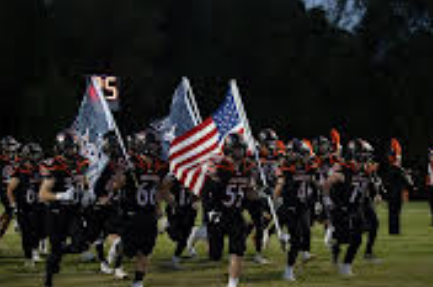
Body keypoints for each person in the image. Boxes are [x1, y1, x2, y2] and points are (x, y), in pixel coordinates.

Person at [203, 133, 259, 287]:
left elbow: (249, 192)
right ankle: (202, 233)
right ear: (228, 149)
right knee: (215, 254)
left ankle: (232, 283)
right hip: (218, 212)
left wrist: (261, 193)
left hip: (235, 213)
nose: (239, 153)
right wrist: (210, 210)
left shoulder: (247, 167)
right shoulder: (219, 166)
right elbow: (207, 191)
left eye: (241, 149)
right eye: (236, 149)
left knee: (238, 248)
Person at [120, 130, 174, 287]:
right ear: (142, 145)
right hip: (131, 212)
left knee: (146, 249)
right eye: (152, 145)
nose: (156, 148)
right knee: (129, 251)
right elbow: (116, 184)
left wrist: (162, 213)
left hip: (149, 212)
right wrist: (124, 172)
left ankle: (138, 282)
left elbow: (160, 191)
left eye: (156, 145)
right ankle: (118, 251)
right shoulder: (131, 162)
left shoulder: (160, 166)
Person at [39, 131, 90, 287]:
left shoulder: (79, 162)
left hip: (73, 211)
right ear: (62, 148)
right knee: (55, 248)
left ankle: (57, 254)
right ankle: (48, 279)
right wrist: (61, 196)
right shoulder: (54, 165)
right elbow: (42, 194)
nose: (73, 151)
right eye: (70, 148)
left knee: (80, 244)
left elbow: (83, 180)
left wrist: (87, 192)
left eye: (74, 148)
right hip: (56, 212)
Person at [322, 139, 367, 276]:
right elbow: (327, 184)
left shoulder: (363, 170)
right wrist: (326, 199)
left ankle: (346, 264)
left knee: (358, 238)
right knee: (344, 238)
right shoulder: (342, 171)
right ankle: (334, 239)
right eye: (361, 156)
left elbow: (362, 186)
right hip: (342, 209)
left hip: (355, 207)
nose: (364, 160)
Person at [274, 139, 316, 281]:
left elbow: (313, 183)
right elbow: (280, 183)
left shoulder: (308, 167)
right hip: (290, 207)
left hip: (303, 205)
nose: (306, 157)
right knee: (297, 238)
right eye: (302, 154)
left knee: (306, 231)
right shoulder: (286, 169)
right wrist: (275, 194)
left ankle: (286, 239)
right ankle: (288, 270)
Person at [7, 143, 45, 267]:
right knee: (26, 232)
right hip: (24, 207)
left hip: (38, 205)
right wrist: (13, 206)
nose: (37, 157)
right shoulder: (19, 169)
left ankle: (34, 250)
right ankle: (28, 257)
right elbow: (10, 189)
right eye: (34, 154)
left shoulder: (40, 169)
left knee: (39, 229)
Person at [160, 175, 198, 269]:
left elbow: (197, 194)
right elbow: (163, 191)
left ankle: (175, 260)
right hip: (175, 210)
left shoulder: (192, 177)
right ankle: (167, 226)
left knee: (185, 237)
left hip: (189, 211)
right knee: (176, 236)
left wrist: (194, 199)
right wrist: (171, 202)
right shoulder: (174, 177)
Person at [384, 138, 413, 235]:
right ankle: (395, 231)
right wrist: (408, 177)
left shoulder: (391, 167)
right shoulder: (396, 168)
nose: (400, 159)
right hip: (396, 194)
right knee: (395, 213)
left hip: (391, 193)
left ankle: (393, 231)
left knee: (392, 213)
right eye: (399, 157)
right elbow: (406, 181)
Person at [0, 136, 21, 242]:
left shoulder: (17, 159)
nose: (13, 150)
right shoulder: (2, 160)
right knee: (11, 209)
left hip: (13, 188)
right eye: (11, 147)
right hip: (3, 188)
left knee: (9, 213)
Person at [425, 148, 433, 227]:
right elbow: (429, 175)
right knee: (431, 204)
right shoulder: (429, 164)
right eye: (429, 155)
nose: (430, 156)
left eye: (431, 155)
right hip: (430, 186)